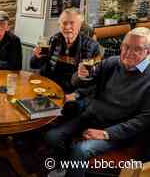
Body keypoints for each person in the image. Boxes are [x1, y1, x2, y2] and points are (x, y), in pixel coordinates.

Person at [45, 27, 150, 177]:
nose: (128, 53)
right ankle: (66, 167)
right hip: (91, 117)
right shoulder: (113, 62)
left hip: (117, 131)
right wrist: (80, 75)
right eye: (126, 46)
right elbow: (81, 81)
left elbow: (144, 120)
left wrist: (106, 133)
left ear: (148, 52)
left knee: (80, 150)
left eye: (137, 49)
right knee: (52, 137)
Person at [30, 8, 100, 93]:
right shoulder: (54, 39)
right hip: (49, 86)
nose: (67, 27)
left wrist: (76, 95)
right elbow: (34, 65)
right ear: (60, 25)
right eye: (64, 23)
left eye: (72, 23)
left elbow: (96, 79)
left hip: (72, 92)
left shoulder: (92, 46)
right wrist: (36, 57)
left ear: (79, 25)